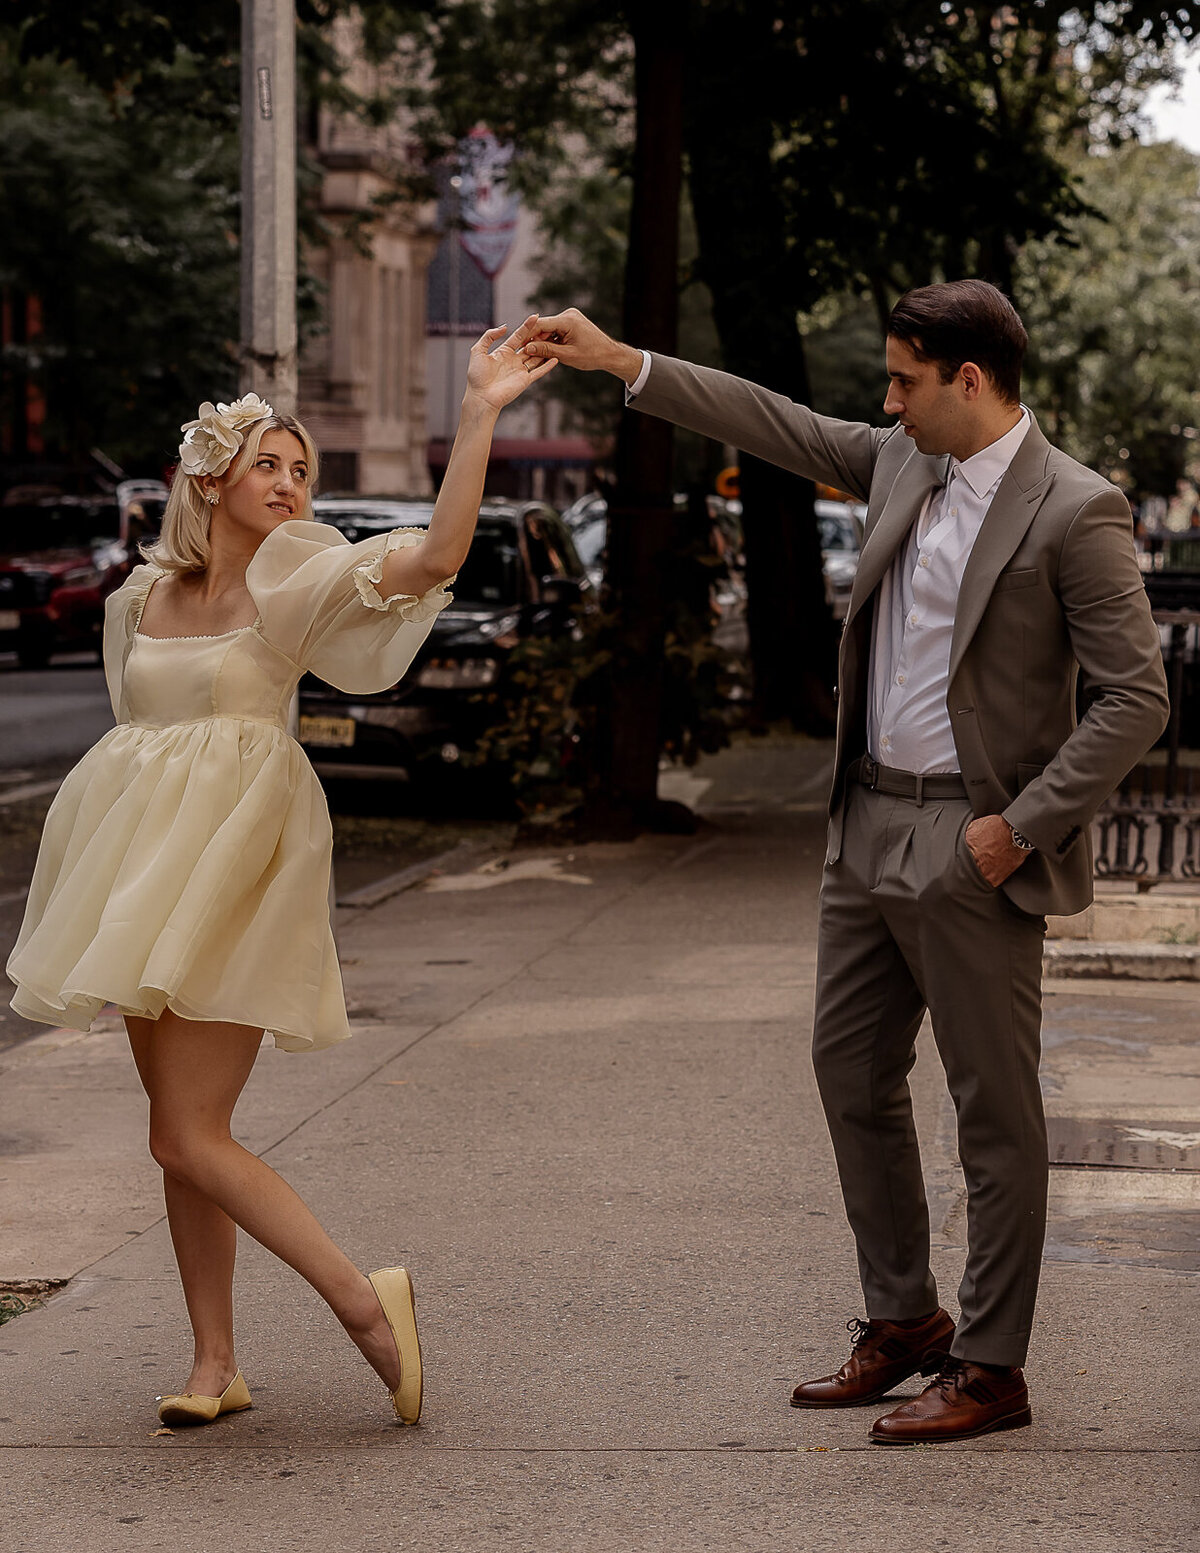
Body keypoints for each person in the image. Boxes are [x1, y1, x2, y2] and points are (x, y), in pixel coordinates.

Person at [525, 283, 1169, 1444]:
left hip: (974, 841)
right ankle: (904, 1319)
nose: (885, 401)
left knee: (994, 1114)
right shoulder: (902, 464)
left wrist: (1019, 824)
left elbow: (1136, 697)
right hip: (863, 822)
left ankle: (991, 1362)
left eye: (903, 380)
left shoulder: (1078, 510)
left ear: (968, 381)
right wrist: (620, 359)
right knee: (849, 1072)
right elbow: (767, 419)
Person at [7, 318, 555, 1427]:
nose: (293, 483)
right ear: (208, 476)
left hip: (238, 873)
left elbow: (438, 556)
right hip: (142, 875)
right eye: (272, 461)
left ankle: (363, 1299)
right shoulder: (135, 601)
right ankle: (215, 1360)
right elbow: (134, 748)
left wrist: (481, 410)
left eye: (303, 470)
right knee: (178, 1128)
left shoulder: (298, 584)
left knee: (185, 1131)